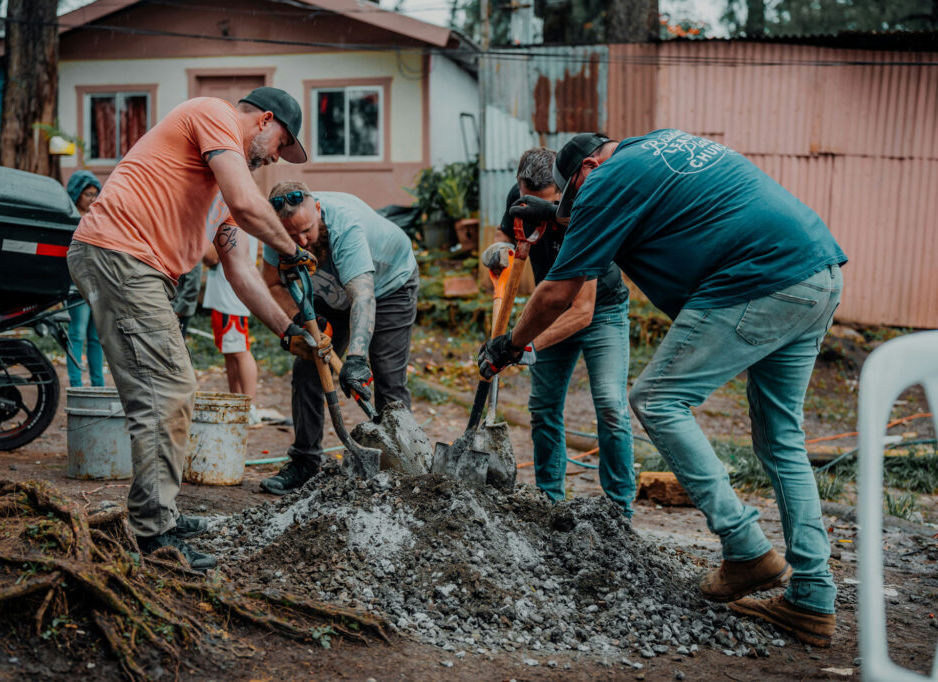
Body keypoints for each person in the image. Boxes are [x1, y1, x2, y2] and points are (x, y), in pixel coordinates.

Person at [478, 130, 846, 646]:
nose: (577, 207)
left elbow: (561, 292)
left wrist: (509, 345)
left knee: (655, 399)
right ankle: (812, 598)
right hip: (816, 269)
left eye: (573, 197)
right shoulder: (656, 145)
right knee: (781, 439)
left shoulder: (603, 182)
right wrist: (556, 217)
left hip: (757, 278)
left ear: (587, 168)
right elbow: (631, 207)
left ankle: (745, 546)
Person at [67, 88, 323, 570]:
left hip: (139, 268)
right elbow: (250, 207)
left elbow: (241, 271)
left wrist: (287, 330)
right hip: (121, 255)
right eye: (279, 144)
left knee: (167, 392)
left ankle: (157, 514)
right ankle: (154, 533)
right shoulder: (213, 113)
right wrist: (291, 249)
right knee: (168, 391)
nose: (272, 159)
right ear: (264, 121)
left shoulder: (223, 193)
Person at [480, 147, 634, 511]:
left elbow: (582, 310)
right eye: (526, 198)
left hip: (601, 310)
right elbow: (506, 235)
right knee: (544, 407)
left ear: (562, 191)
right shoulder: (521, 198)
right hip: (549, 306)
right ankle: (549, 501)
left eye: (546, 202)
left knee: (611, 405)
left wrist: (524, 346)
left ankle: (619, 509)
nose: (534, 207)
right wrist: (497, 250)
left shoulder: (587, 201)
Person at [259, 181, 419, 495]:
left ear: (317, 209)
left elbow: (363, 298)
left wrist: (356, 360)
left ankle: (405, 467)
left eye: (307, 230)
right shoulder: (275, 232)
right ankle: (304, 462)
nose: (302, 241)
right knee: (307, 367)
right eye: (292, 236)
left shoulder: (346, 226)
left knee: (386, 376)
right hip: (330, 293)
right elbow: (273, 283)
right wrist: (300, 322)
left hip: (388, 288)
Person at [200, 193, 265, 426]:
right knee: (231, 351)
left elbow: (209, 257)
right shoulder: (239, 212)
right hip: (226, 295)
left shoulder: (228, 214)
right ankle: (236, 402)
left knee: (239, 350)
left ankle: (250, 406)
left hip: (230, 296)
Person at [65, 170, 105, 388]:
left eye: (95, 194)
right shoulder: (70, 219)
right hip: (77, 287)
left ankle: (98, 386)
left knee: (97, 338)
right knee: (77, 334)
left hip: (99, 286)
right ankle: (76, 384)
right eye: (88, 194)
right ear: (77, 194)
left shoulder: (99, 219)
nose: (92, 198)